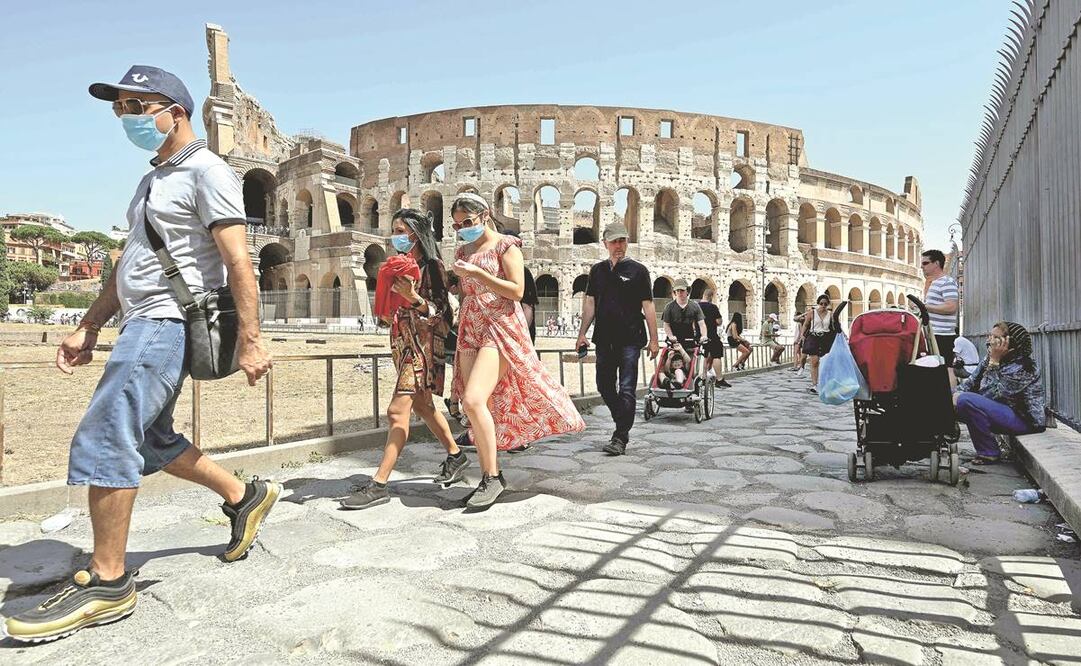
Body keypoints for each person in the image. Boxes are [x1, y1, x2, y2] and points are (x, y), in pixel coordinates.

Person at [3, 66, 279, 644]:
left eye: (136, 105)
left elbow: (238, 262)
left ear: (174, 111)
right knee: (150, 436)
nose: (126, 117)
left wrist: (252, 338)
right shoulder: (153, 180)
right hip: (140, 318)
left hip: (167, 321)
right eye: (119, 108)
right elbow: (129, 264)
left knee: (109, 434)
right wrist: (88, 324)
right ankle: (243, 493)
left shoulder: (208, 171)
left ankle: (108, 581)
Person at [450, 193, 584, 506]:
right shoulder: (462, 249)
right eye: (457, 225)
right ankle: (488, 476)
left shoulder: (506, 245)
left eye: (467, 222)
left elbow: (517, 290)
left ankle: (492, 476)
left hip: (499, 327)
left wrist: (478, 275)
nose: (463, 229)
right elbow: (467, 290)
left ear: (484, 215)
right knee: (476, 408)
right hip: (471, 326)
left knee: (472, 399)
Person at [341, 209, 467, 510]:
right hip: (401, 345)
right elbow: (393, 313)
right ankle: (456, 455)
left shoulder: (433, 266)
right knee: (423, 406)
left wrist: (414, 299)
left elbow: (444, 317)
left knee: (397, 411)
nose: (395, 235)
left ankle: (380, 484)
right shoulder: (399, 266)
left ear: (415, 233)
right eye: (394, 229)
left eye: (400, 230)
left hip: (422, 347)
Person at [577, 221, 659, 456]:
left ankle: (620, 437)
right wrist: (582, 333)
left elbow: (649, 306)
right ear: (605, 244)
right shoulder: (598, 271)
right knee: (603, 385)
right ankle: (622, 420)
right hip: (603, 337)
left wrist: (654, 339)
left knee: (627, 388)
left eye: (622, 240)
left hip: (631, 339)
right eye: (614, 241)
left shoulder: (638, 271)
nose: (619, 245)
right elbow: (590, 302)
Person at [954, 321, 1046, 464]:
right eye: (990, 336)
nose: (990, 341)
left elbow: (991, 394)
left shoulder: (1024, 367)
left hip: (1023, 420)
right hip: (1000, 412)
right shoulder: (991, 358)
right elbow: (970, 383)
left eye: (996, 337)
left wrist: (994, 363)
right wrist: (952, 396)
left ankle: (989, 452)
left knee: (966, 401)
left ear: (1010, 343)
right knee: (950, 396)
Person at [921, 249, 960, 388]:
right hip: (934, 334)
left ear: (936, 263)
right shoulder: (934, 283)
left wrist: (926, 307)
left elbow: (951, 307)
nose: (922, 267)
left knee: (947, 368)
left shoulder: (946, 282)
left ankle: (951, 401)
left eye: (925, 263)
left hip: (943, 335)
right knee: (938, 368)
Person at [799, 294, 836, 394]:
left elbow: (835, 326)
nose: (823, 305)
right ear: (818, 303)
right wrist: (802, 335)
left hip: (826, 338)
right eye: (821, 303)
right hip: (814, 337)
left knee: (824, 362)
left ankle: (823, 382)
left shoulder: (831, 314)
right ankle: (815, 384)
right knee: (814, 361)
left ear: (827, 304)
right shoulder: (812, 313)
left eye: (825, 304)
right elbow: (806, 324)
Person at [697, 288, 731, 388]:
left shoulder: (696, 306)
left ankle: (703, 377)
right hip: (711, 334)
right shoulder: (713, 307)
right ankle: (719, 379)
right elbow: (719, 322)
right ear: (711, 297)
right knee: (716, 355)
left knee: (705, 354)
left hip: (699, 335)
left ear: (703, 295)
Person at [790, 310, 808, 377]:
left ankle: (796, 366)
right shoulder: (802, 322)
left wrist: (798, 340)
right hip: (800, 340)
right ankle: (800, 366)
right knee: (799, 354)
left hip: (798, 340)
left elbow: (800, 333)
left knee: (795, 353)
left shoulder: (800, 323)